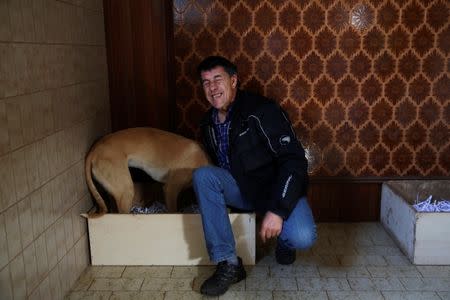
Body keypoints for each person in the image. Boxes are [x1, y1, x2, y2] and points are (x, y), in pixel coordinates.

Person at [192, 56, 316, 296]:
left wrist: (278, 210)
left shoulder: (262, 110)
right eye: (206, 82)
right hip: (241, 189)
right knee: (203, 176)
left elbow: (294, 161)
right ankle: (228, 263)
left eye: (218, 79)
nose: (212, 88)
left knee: (303, 236)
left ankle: (285, 241)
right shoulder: (207, 123)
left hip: (274, 189)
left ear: (234, 80)